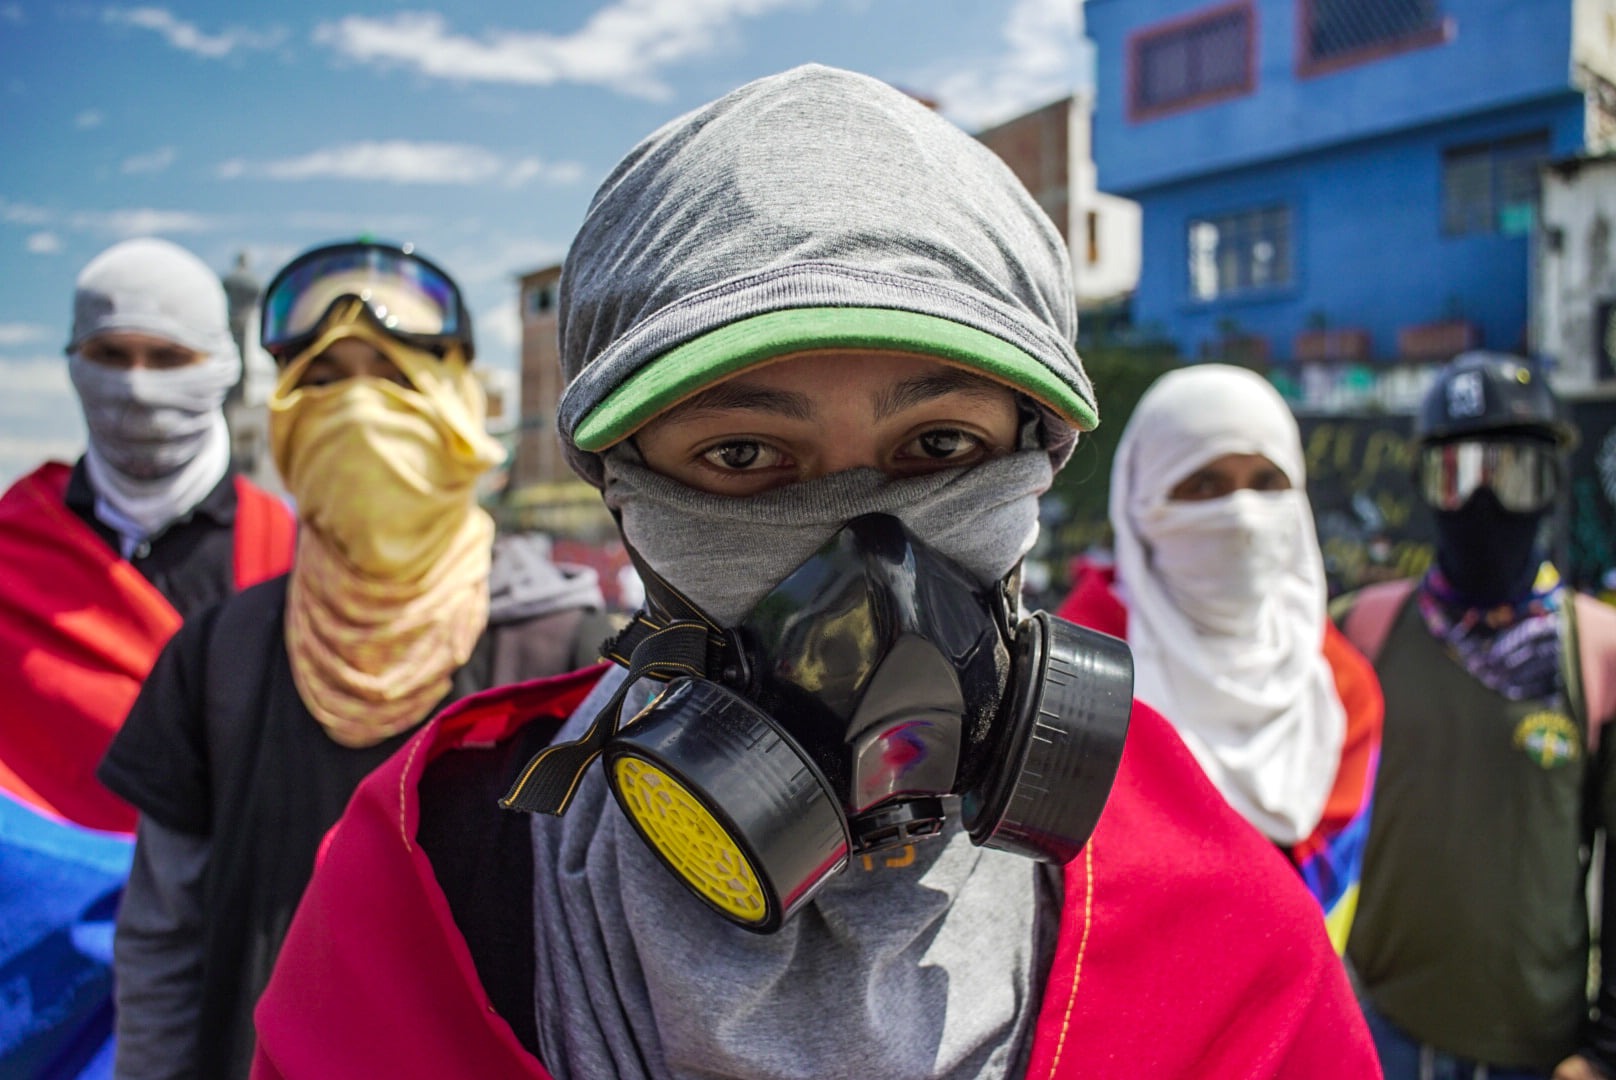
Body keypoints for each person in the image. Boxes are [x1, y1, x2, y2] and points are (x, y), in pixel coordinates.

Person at [252, 66, 1377, 1079]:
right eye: (743, 456)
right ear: (620, 490)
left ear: (1036, 456)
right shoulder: (429, 885)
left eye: (939, 448)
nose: (870, 564)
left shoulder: (1211, 915)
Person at [96, 240, 614, 1080]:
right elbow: (164, 941)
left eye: (395, 376)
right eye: (327, 381)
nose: (360, 408)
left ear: (460, 408)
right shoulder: (216, 658)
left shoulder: (576, 661)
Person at [1332, 351, 1616, 1080]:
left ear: (1551, 486)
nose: (1484, 505)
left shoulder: (1597, 653)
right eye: (1456, 477)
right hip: (1372, 1024)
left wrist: (1604, 1047)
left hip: (1534, 1047)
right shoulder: (1366, 631)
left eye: (1513, 474)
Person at [1056, 363, 1383, 953]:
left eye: (1266, 482)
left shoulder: (1340, 688)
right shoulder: (1070, 682)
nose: (1242, 517)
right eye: (1202, 485)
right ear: (1141, 504)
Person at [0, 237, 296, 834]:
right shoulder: (12, 545)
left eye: (166, 358)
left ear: (223, 364)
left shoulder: (291, 552)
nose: (135, 387)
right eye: (109, 354)